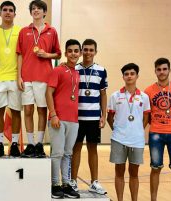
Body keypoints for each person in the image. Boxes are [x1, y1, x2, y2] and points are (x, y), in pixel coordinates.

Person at [17, 0, 61, 158]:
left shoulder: (52, 31)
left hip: (44, 77)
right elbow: (20, 54)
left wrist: (46, 55)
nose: (36, 11)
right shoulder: (24, 31)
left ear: (44, 12)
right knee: (28, 110)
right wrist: (19, 77)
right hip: (26, 77)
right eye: (33, 9)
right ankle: (30, 144)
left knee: (42, 110)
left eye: (39, 9)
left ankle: (39, 145)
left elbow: (58, 53)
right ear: (31, 12)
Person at [145, 58, 171, 201]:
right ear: (155, 71)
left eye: (164, 69)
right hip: (156, 133)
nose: (162, 72)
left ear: (169, 70)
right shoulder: (148, 91)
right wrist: (159, 124)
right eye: (159, 69)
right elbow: (148, 114)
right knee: (155, 168)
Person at [107, 63, 150, 201]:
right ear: (123, 77)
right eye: (126, 74)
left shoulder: (144, 97)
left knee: (134, 173)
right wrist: (118, 130)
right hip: (118, 139)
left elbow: (146, 117)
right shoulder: (115, 96)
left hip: (137, 140)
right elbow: (110, 117)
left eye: (132, 73)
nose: (129, 76)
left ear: (137, 76)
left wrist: (138, 130)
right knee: (119, 172)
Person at [70, 39, 108, 195]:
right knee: (76, 149)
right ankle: (73, 181)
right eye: (85, 49)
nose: (87, 53)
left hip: (93, 118)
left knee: (93, 150)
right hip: (76, 117)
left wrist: (103, 116)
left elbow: (103, 94)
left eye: (91, 50)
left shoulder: (101, 70)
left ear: (95, 52)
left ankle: (94, 182)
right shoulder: (74, 69)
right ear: (81, 51)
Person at [46, 39, 81, 199]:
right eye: (70, 51)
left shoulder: (77, 73)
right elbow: (48, 93)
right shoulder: (58, 70)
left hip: (73, 120)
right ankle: (55, 184)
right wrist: (53, 114)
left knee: (67, 154)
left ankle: (66, 184)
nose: (73, 53)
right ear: (66, 53)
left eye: (76, 51)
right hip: (57, 119)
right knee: (57, 153)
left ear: (79, 53)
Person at [0, 1, 22, 157]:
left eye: (10, 10)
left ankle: (14, 144)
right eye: (5, 10)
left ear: (15, 14)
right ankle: (0, 143)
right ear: (0, 13)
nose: (8, 12)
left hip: (15, 78)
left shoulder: (20, 31)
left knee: (16, 112)